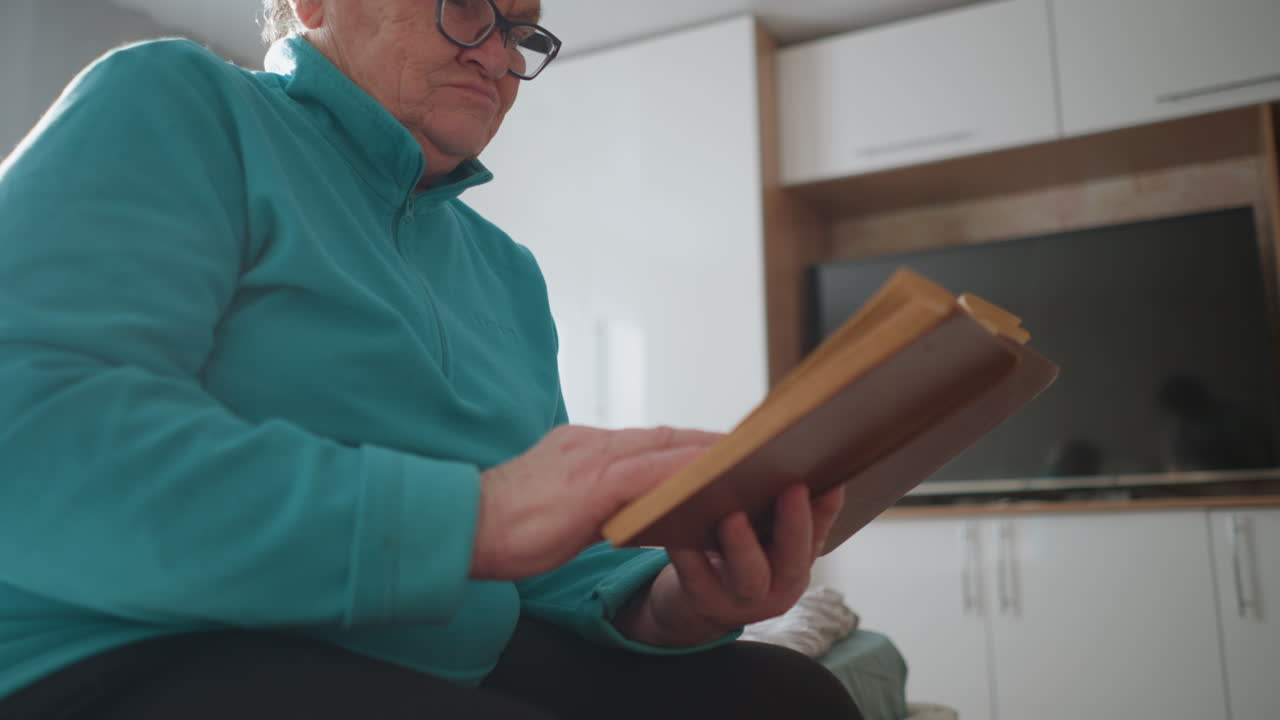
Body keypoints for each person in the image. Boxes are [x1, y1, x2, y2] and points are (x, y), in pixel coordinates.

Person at [0, 1, 860, 718]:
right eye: (467, 7)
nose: (499, 55)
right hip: (128, 646)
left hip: (425, 651)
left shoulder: (505, 271)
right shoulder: (178, 100)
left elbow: (546, 551)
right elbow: (34, 436)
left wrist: (674, 603)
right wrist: (477, 517)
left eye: (521, 32)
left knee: (794, 698)